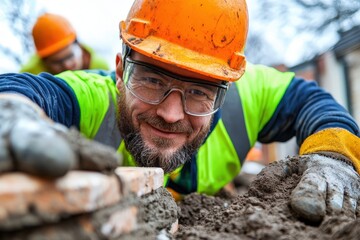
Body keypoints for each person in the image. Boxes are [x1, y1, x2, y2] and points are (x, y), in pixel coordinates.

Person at [0, 0, 359, 224]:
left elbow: (315, 104)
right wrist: (11, 110)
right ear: (119, 72)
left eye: (199, 92)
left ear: (226, 88)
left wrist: (333, 157)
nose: (171, 114)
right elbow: (31, 91)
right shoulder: (96, 98)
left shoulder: (252, 95)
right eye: (153, 81)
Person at [20, 13, 110, 74]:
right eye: (57, 62)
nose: (67, 65)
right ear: (43, 61)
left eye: (69, 56)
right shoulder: (30, 75)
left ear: (78, 45)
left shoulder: (100, 69)